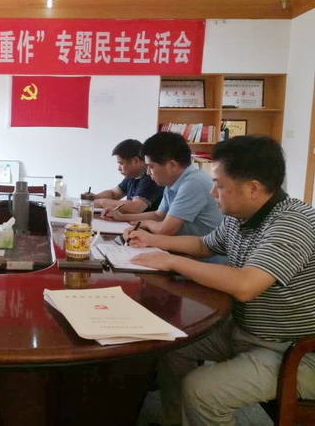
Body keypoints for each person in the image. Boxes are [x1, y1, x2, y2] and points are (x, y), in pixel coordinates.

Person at [126, 135, 315, 426]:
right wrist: (153, 241)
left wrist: (172, 261)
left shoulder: (293, 222)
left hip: (295, 350)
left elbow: (246, 285)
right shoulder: (241, 215)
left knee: (202, 391)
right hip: (245, 331)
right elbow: (204, 245)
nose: (213, 192)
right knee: (171, 346)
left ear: (253, 188)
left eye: (220, 185)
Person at [104, 132, 223, 236]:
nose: (148, 172)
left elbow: (165, 229)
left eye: (151, 167)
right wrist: (121, 217)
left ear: (172, 165)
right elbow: (159, 215)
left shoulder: (194, 183)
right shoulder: (173, 182)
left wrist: (145, 224)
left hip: (201, 253)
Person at [92, 139, 163, 213]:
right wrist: (92, 198)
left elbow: (135, 207)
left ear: (135, 161)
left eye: (121, 163)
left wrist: (100, 202)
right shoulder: (132, 176)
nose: (119, 169)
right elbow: (113, 194)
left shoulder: (151, 178)